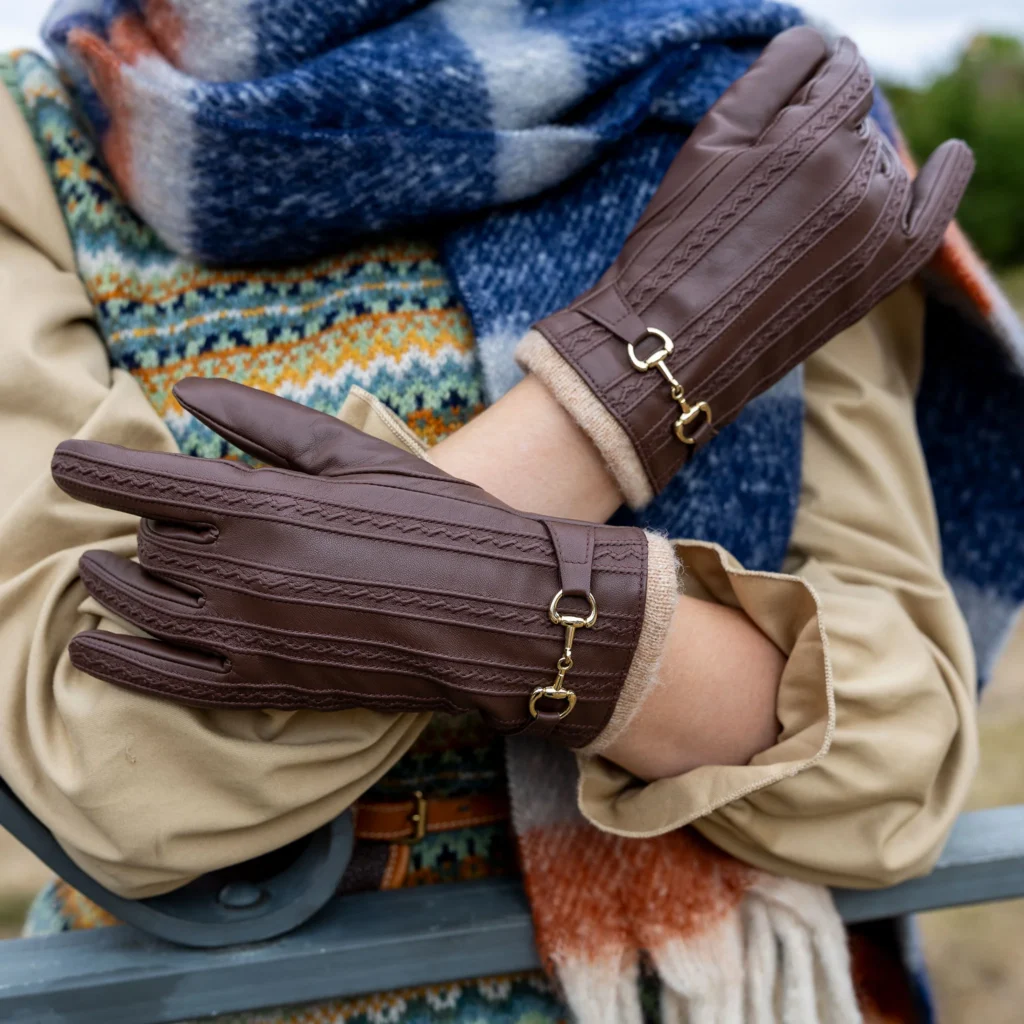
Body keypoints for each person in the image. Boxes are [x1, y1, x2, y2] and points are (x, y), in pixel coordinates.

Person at [3, 3, 1021, 1021]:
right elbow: (120, 773)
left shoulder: (765, 105)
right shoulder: (36, 140)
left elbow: (888, 757)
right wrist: (639, 372)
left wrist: (455, 597)